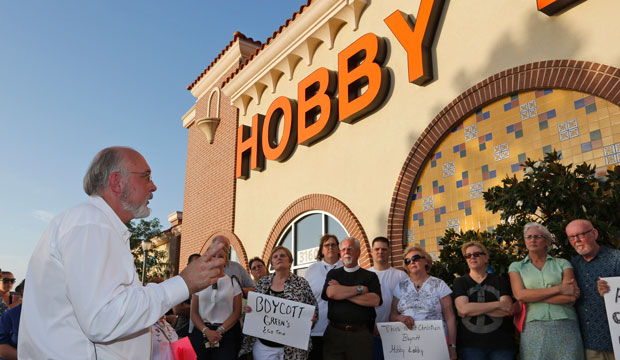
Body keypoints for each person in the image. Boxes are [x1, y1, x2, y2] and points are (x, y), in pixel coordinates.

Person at [17, 146, 225, 359]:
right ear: (117, 182)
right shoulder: (92, 224)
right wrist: (184, 283)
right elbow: (104, 318)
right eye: (146, 177)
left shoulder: (94, 224)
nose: (153, 186)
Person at [508, 222, 583, 359]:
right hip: (533, 326)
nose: (532, 240)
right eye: (528, 237)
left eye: (537, 236)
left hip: (565, 324)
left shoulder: (563, 263)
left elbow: (570, 297)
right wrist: (559, 289)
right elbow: (519, 294)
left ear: (547, 241)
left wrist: (531, 295)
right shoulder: (516, 267)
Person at [240, 246, 318, 360]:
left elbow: (313, 307)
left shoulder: (301, 283)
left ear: (290, 261)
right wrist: (249, 310)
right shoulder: (263, 283)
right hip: (264, 347)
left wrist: (312, 319)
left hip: (293, 347)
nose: (279, 258)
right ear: (272, 263)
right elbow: (255, 309)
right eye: (275, 257)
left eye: (282, 255)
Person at [389, 245, 457, 360]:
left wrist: (452, 347)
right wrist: (400, 318)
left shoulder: (439, 284)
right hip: (408, 345)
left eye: (416, 258)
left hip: (435, 344)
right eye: (408, 261)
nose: (412, 262)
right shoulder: (400, 287)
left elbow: (450, 318)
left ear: (426, 261)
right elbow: (392, 315)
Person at [567, 219, 620, 360]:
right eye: (572, 237)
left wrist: (613, 292)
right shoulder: (572, 266)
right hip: (590, 345)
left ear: (594, 234)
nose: (577, 240)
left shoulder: (616, 259)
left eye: (581, 234)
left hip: (617, 341)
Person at [453, 241, 515, 360]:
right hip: (470, 346)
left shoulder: (500, 281)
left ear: (486, 257)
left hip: (501, 345)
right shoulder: (460, 282)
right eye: (468, 255)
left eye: (476, 254)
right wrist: (498, 304)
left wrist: (473, 308)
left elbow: (507, 309)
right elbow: (463, 309)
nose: (472, 257)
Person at [322, 237, 381, 360]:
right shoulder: (333, 274)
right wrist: (359, 290)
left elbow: (374, 300)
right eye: (343, 249)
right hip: (334, 334)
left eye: (350, 249)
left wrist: (342, 293)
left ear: (359, 252)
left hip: (360, 336)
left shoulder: (370, 276)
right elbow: (331, 293)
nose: (346, 252)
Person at [189, 245, 242, 360]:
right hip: (201, 333)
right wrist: (206, 331)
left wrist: (219, 331)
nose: (216, 259)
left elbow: (237, 312)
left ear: (226, 261)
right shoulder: (198, 282)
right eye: (213, 256)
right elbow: (193, 313)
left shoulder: (233, 282)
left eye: (220, 256)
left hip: (226, 335)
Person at [367, 236, 407, 360]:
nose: (380, 252)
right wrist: (371, 326)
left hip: (397, 332)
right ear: (372, 251)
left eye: (384, 249)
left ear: (389, 251)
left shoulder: (401, 275)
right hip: (372, 333)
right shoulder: (365, 275)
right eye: (377, 249)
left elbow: (408, 303)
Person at [304, 234, 343, 360]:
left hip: (342, 331)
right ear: (321, 250)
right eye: (326, 245)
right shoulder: (311, 270)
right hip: (317, 330)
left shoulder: (347, 267)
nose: (330, 247)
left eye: (333, 244)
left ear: (338, 249)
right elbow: (306, 298)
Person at [173, 253, 202, 338]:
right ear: (188, 266)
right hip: (182, 331)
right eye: (195, 264)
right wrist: (200, 309)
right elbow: (178, 309)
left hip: (200, 332)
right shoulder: (180, 282)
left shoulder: (206, 283)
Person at [0, 280, 23, 360]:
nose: (9, 283)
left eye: (12, 281)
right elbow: (2, 347)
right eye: (5, 280)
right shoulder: (11, 315)